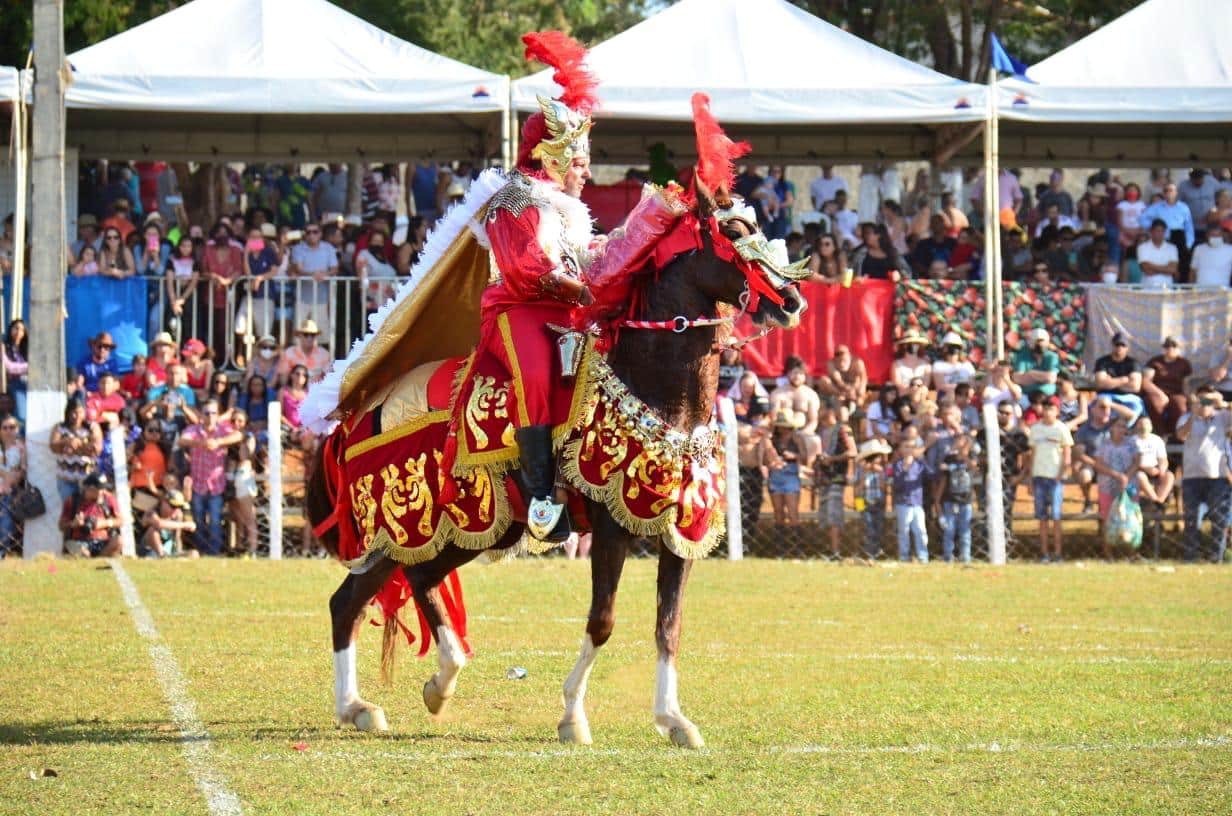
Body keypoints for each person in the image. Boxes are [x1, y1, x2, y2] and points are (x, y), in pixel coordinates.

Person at [1175, 386, 1230, 563]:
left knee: (1219, 521)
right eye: (1202, 400)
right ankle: (1190, 558)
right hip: (1192, 478)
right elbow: (1181, 435)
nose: (1205, 404)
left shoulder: (1222, 417)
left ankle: (1216, 559)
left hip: (1218, 478)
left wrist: (1223, 403)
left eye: (1208, 400)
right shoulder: (1186, 418)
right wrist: (1194, 414)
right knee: (1191, 520)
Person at [177, 398, 239, 556]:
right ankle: (200, 551)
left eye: (213, 413)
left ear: (218, 415)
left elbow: (238, 435)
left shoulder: (223, 430)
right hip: (197, 483)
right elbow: (182, 440)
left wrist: (219, 442)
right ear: (201, 415)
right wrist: (202, 443)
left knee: (215, 522)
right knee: (198, 521)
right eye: (207, 413)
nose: (210, 416)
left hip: (216, 485)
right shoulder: (194, 429)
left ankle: (214, 552)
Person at [1024, 396, 1073, 563]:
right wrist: (1030, 479)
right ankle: (1044, 553)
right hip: (1039, 477)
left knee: (1056, 517)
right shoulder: (1035, 429)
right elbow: (1032, 455)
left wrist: (1060, 476)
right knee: (1042, 518)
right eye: (1045, 408)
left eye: (1051, 408)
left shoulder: (1061, 429)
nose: (1047, 412)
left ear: (1057, 411)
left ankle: (1058, 553)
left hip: (1055, 479)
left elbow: (1067, 456)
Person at [1090, 415, 1138, 559]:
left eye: (1124, 426)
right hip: (1107, 486)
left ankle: (1131, 554)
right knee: (1108, 519)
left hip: (1128, 487)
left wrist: (1126, 477)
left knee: (1130, 519)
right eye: (1118, 426)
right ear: (1111, 427)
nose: (1121, 429)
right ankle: (1108, 554)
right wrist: (1117, 475)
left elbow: (1137, 462)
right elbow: (1098, 464)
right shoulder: (1103, 444)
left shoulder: (1132, 444)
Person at [814, 400, 855, 559]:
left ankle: (835, 552)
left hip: (836, 477)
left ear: (830, 411)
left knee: (833, 516)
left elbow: (852, 451)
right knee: (825, 517)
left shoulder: (844, 429)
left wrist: (832, 459)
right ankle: (831, 551)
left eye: (822, 409)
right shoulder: (822, 431)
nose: (819, 412)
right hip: (824, 478)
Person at [289, 222, 338, 342]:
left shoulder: (328, 248)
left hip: (321, 298)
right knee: (299, 334)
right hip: (302, 298)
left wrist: (325, 274)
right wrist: (314, 275)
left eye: (315, 232)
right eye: (308, 232)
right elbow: (298, 268)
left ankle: (320, 360)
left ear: (320, 234)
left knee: (322, 336)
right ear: (305, 235)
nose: (312, 235)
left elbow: (334, 268)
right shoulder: (298, 249)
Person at [1138, 183, 1195, 280]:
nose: (1168, 193)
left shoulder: (1183, 207)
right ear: (1163, 193)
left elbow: (1189, 227)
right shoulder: (1157, 207)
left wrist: (1188, 244)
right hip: (1163, 236)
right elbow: (1142, 218)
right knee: (1163, 261)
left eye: (1171, 190)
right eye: (1166, 191)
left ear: (1176, 192)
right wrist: (1153, 228)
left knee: (1180, 268)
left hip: (1179, 237)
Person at [50, 401, 102, 503]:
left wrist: (78, 444)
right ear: (68, 412)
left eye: (80, 412)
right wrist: (67, 441)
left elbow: (96, 449)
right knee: (69, 511)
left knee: (86, 509)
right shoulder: (60, 427)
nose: (77, 416)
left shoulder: (92, 427)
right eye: (73, 412)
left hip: (87, 481)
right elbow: (53, 446)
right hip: (66, 480)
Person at [937, 432, 977, 564]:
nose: (957, 441)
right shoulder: (949, 458)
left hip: (965, 499)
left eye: (960, 439)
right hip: (950, 498)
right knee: (949, 529)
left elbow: (973, 466)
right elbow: (943, 477)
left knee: (965, 529)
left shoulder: (971, 456)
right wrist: (938, 499)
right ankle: (948, 556)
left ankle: (965, 556)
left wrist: (964, 455)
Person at [59, 473, 121, 558]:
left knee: (118, 541)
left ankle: (98, 561)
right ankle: (90, 561)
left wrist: (104, 523)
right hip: (80, 541)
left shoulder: (108, 498)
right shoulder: (73, 501)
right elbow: (61, 526)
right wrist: (73, 524)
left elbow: (120, 520)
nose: (102, 492)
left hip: (103, 540)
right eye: (100, 489)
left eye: (103, 488)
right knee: (80, 551)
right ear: (89, 489)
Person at [1141, 336, 1192, 436]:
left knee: (1180, 407)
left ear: (1179, 349)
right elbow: (1146, 382)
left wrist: (1189, 397)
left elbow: (1187, 383)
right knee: (1154, 404)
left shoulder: (1184, 363)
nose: (1170, 349)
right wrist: (1160, 394)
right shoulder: (1155, 362)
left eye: (1174, 346)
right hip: (1157, 392)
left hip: (1176, 393)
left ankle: (1176, 435)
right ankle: (1160, 434)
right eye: (1167, 346)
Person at [1093, 333, 1146, 427]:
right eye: (1117, 345)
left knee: (1137, 406)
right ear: (1112, 346)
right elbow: (1100, 383)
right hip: (1106, 395)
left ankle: (1125, 429)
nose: (1119, 348)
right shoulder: (1102, 362)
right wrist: (1124, 379)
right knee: (1101, 406)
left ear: (1127, 348)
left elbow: (1135, 387)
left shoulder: (1133, 363)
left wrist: (1110, 381)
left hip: (1128, 397)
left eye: (1123, 345)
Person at [890, 441, 930, 563]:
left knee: (921, 531)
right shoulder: (897, 465)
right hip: (903, 503)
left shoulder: (920, 465)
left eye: (912, 447)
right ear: (901, 449)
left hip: (917, 503)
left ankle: (923, 556)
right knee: (904, 532)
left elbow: (932, 475)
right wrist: (905, 471)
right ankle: (904, 556)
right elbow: (897, 485)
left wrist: (923, 460)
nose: (909, 449)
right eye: (906, 446)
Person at [1073, 397, 1113, 515]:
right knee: (1084, 475)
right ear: (1093, 410)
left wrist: (1111, 404)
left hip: (1111, 464)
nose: (1106, 411)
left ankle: (1105, 505)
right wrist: (1096, 465)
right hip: (1091, 464)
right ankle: (1088, 501)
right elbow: (1079, 454)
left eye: (1108, 408)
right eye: (1102, 407)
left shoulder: (1114, 426)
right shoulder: (1084, 430)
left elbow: (1130, 416)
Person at [767, 410, 806, 528]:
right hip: (775, 474)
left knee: (792, 512)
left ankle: (794, 541)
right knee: (778, 512)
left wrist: (794, 456)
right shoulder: (773, 439)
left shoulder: (797, 438)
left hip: (790, 474)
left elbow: (805, 458)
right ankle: (782, 541)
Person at [854, 438, 890, 560]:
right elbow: (857, 491)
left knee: (879, 527)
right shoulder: (860, 471)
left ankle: (877, 551)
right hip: (863, 502)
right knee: (867, 527)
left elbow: (884, 489)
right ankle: (869, 553)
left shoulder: (882, 471)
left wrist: (880, 475)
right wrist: (864, 474)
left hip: (878, 502)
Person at [140, 490, 197, 558]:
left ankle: (169, 556)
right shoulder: (152, 513)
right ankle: (162, 556)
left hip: (168, 550)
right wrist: (184, 525)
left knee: (194, 554)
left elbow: (177, 537)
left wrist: (178, 552)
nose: (176, 509)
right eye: (173, 506)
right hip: (150, 551)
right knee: (153, 530)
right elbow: (159, 523)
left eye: (179, 507)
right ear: (164, 502)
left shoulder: (178, 515)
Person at [1131, 417, 1174, 506]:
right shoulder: (1131, 441)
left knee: (1169, 476)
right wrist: (1146, 469)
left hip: (1156, 470)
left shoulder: (1157, 440)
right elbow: (1131, 461)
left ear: (1151, 427)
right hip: (1138, 470)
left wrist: (1161, 470)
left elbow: (1163, 459)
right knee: (1140, 476)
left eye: (1146, 424)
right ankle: (1155, 501)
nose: (1143, 426)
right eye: (1141, 424)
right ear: (1136, 426)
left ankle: (1159, 501)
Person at [1012, 328, 1061, 403]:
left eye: (1042, 341)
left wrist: (1030, 374)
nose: (1040, 345)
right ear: (1031, 342)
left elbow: (1051, 378)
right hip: (1027, 396)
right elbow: (1017, 378)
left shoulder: (1052, 356)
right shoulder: (1023, 356)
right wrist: (1042, 378)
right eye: (1037, 342)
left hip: (1048, 397)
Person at [0, 415, 26, 555]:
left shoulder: (21, 447)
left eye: (12, 427)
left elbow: (22, 470)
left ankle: (2, 553)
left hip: (10, 491)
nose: (9, 431)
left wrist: (9, 479)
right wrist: (7, 474)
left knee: (6, 524)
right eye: (5, 427)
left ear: (18, 429)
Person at [931, 332, 975, 401]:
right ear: (944, 348)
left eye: (956, 346)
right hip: (947, 394)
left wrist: (964, 391)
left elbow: (972, 384)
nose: (954, 349)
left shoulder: (967, 365)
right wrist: (958, 389)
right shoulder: (938, 365)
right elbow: (940, 385)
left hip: (966, 395)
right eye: (951, 346)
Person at [1137, 219, 1179, 287]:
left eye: (1162, 231)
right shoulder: (1142, 247)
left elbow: (1173, 269)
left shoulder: (1172, 248)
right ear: (1151, 231)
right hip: (1147, 288)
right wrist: (1166, 269)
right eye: (1157, 231)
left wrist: (1151, 266)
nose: (1160, 234)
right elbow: (1145, 269)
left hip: (1167, 288)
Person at [1190, 222, 1232, 287]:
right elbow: (1192, 271)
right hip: (1200, 290)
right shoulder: (1199, 249)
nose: (1215, 237)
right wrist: (1191, 289)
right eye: (1213, 235)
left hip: (1223, 291)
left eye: (1218, 235)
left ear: (1222, 235)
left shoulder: (1230, 250)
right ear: (1207, 235)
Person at [3, 319, 28, 424]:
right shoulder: (4, 346)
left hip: (28, 382)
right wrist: (29, 367)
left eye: (22, 330)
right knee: (22, 417)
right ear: (10, 330)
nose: (19, 332)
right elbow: (9, 366)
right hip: (14, 382)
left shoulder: (25, 349)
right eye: (16, 328)